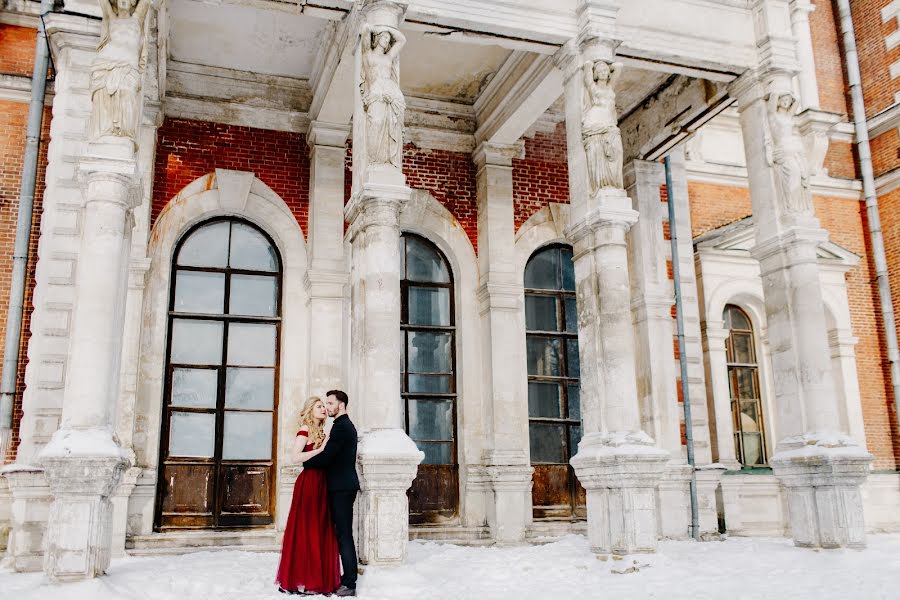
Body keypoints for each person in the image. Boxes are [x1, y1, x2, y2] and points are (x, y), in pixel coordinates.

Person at [276, 397, 341, 595]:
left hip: (323, 483)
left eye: (324, 406)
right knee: (307, 528)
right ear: (310, 410)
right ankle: (301, 580)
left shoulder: (322, 432)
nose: (323, 409)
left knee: (321, 528)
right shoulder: (305, 429)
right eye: (319, 406)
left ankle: (318, 578)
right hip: (309, 483)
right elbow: (295, 457)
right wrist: (321, 449)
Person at [301, 389, 360, 597]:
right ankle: (346, 579)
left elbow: (327, 457)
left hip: (342, 488)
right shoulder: (341, 426)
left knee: (344, 535)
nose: (327, 406)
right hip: (342, 486)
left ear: (341, 405)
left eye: (330, 403)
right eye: (325, 403)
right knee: (342, 534)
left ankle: (350, 583)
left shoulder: (342, 428)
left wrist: (306, 463)